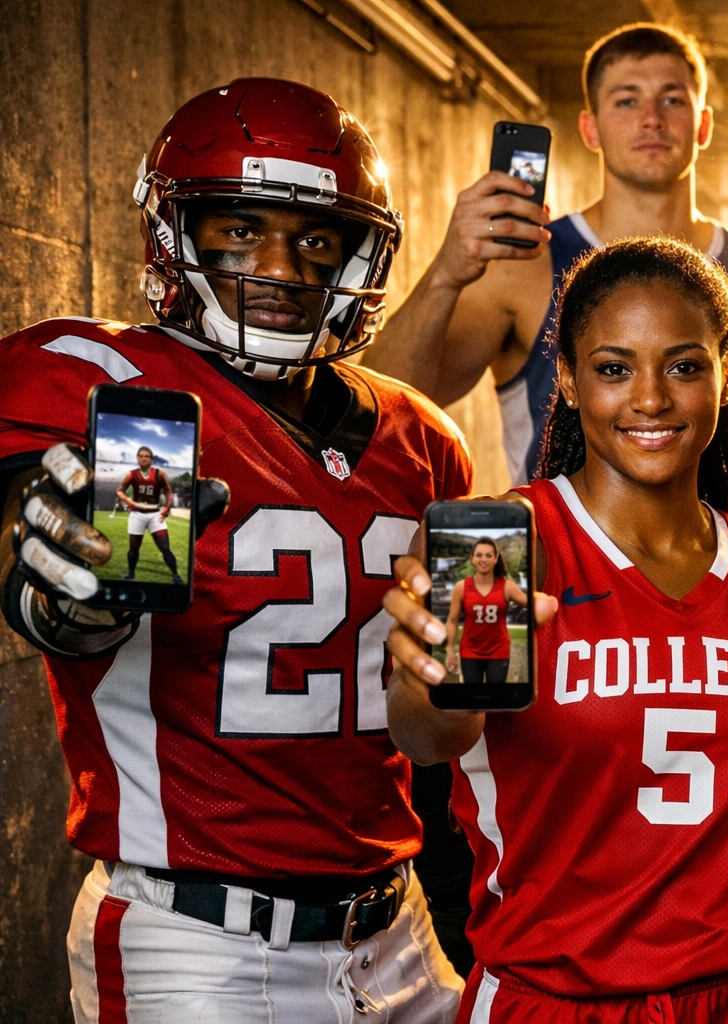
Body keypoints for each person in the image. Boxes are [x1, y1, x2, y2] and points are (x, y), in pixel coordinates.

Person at [0, 79, 468, 1020]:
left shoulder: (423, 438)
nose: (282, 268)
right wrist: (60, 591)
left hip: (397, 928)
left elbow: (429, 719)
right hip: (197, 940)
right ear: (178, 233)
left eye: (317, 240)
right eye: (242, 230)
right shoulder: (103, 381)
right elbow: (24, 524)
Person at [379, 237, 728, 1022]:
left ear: (725, 374)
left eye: (684, 366)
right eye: (613, 369)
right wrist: (432, 680)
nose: (651, 399)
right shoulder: (504, 547)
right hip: (565, 1003)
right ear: (568, 380)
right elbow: (427, 739)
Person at [364, 21, 728, 484]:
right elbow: (381, 408)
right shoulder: (524, 266)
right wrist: (445, 274)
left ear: (703, 124)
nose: (652, 118)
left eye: (672, 99)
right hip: (565, 533)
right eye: (627, 100)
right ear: (590, 129)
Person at [443, 538, 529, 684]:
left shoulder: (507, 586)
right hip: (470, 650)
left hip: (498, 650)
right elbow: (452, 620)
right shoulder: (461, 587)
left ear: (496, 558)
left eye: (488, 555)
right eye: (479, 555)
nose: (483, 559)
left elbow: (532, 605)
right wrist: (449, 650)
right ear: (473, 558)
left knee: (496, 695)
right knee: (472, 696)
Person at [115, 446, 182, 584]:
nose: (143, 458)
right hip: (137, 515)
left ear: (151, 459)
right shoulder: (131, 474)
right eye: (140, 456)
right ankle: (131, 573)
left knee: (165, 548)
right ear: (137, 458)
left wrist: (167, 508)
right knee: (133, 549)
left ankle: (175, 575)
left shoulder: (159, 473)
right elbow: (120, 490)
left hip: (155, 514)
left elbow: (168, 491)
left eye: (146, 456)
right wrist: (128, 501)